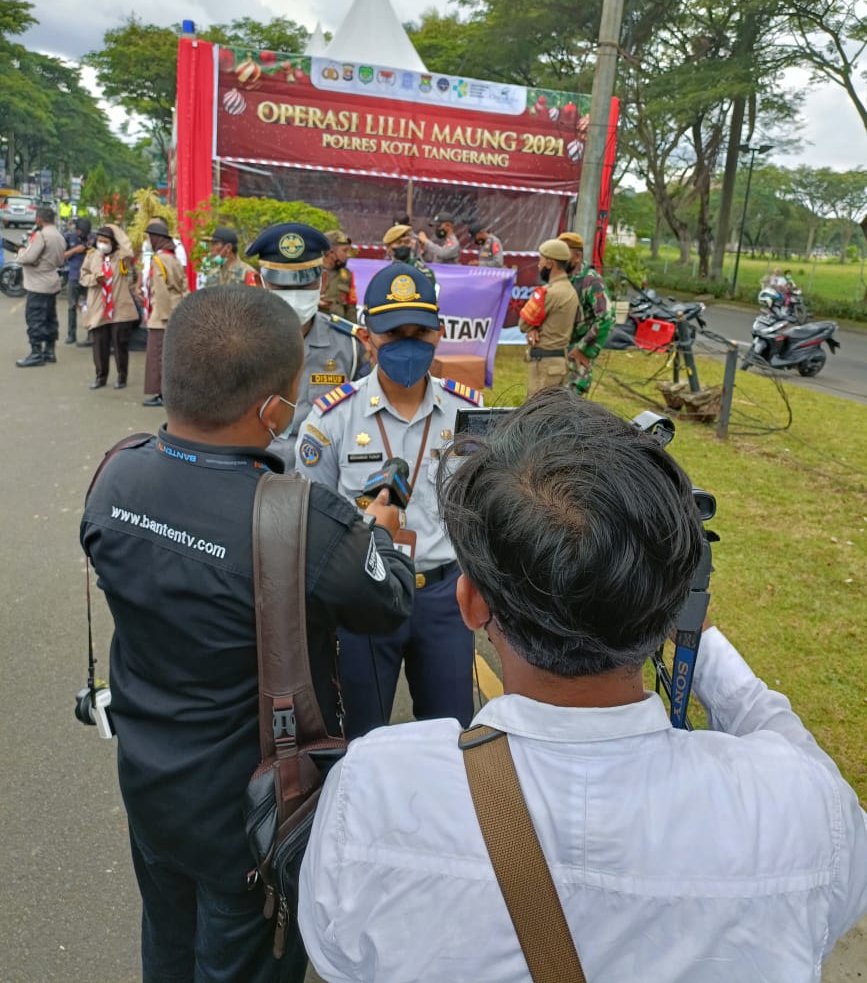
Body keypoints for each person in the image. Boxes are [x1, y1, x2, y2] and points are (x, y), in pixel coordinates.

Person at [298, 388, 867, 982]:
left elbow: (337, 959)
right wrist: (708, 653)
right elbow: (827, 830)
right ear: (674, 601)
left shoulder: (375, 791)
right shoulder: (799, 810)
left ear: (470, 604)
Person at [80, 285, 414, 983]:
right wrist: (381, 535)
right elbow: (387, 605)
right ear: (274, 412)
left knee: (167, 943)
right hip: (256, 817)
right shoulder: (305, 522)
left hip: (150, 788)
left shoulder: (117, 473)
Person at [294, 262, 482, 739]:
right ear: (366, 338)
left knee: (451, 736)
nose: (408, 344)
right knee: (360, 736)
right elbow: (314, 520)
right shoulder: (331, 420)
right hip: (365, 595)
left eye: (420, 333)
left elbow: (484, 505)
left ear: (439, 334)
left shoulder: (467, 414)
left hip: (444, 597)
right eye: (394, 334)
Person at [246, 222, 369, 471]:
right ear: (260, 283)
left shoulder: (350, 347)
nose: (293, 295)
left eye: (304, 286)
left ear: (322, 281)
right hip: (253, 475)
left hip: (321, 478)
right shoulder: (238, 343)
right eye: (282, 287)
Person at [79, 224, 138, 389]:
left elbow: (128, 248)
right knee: (99, 345)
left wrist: (112, 227)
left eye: (106, 241)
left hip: (119, 308)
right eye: (99, 240)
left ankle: (122, 377)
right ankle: (101, 377)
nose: (102, 244)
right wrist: (94, 279)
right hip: (98, 308)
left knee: (120, 345)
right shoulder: (92, 256)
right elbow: (83, 277)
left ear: (113, 242)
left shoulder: (121, 257)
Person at [518, 238, 579, 395]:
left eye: (541, 260)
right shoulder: (570, 290)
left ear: (550, 264)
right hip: (559, 363)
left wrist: (531, 328)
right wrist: (533, 328)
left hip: (544, 364)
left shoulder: (549, 292)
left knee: (537, 407)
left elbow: (523, 323)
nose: (539, 265)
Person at [559, 230, 616, 395]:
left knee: (568, 404)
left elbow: (607, 317)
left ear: (577, 256)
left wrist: (584, 349)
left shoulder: (590, 280)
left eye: (564, 254)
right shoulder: (560, 278)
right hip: (554, 358)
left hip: (575, 360)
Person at [140, 217, 188, 407]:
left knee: (158, 356)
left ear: (155, 239)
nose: (148, 242)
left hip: (162, 315)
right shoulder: (174, 259)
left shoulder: (158, 260)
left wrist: (164, 316)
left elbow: (160, 291)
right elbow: (184, 285)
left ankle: (161, 393)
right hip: (177, 308)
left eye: (149, 237)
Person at [14, 206, 67, 368]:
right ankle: (50, 351)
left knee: (35, 318)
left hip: (37, 284)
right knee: (50, 318)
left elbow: (28, 257)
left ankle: (36, 353)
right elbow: (60, 261)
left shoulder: (41, 236)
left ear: (39, 219)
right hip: (51, 282)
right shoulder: (59, 236)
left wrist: (21, 252)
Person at [63, 216, 94, 344]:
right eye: (81, 232)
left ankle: (90, 336)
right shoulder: (69, 237)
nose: (82, 234)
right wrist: (75, 250)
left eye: (85, 233)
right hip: (74, 276)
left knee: (90, 306)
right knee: (71, 306)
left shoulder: (93, 238)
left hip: (89, 277)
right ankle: (71, 335)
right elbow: (62, 255)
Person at [319, 229, 357, 322]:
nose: (348, 255)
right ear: (330, 252)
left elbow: (351, 308)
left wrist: (354, 329)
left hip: (337, 327)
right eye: (345, 251)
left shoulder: (346, 275)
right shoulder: (310, 272)